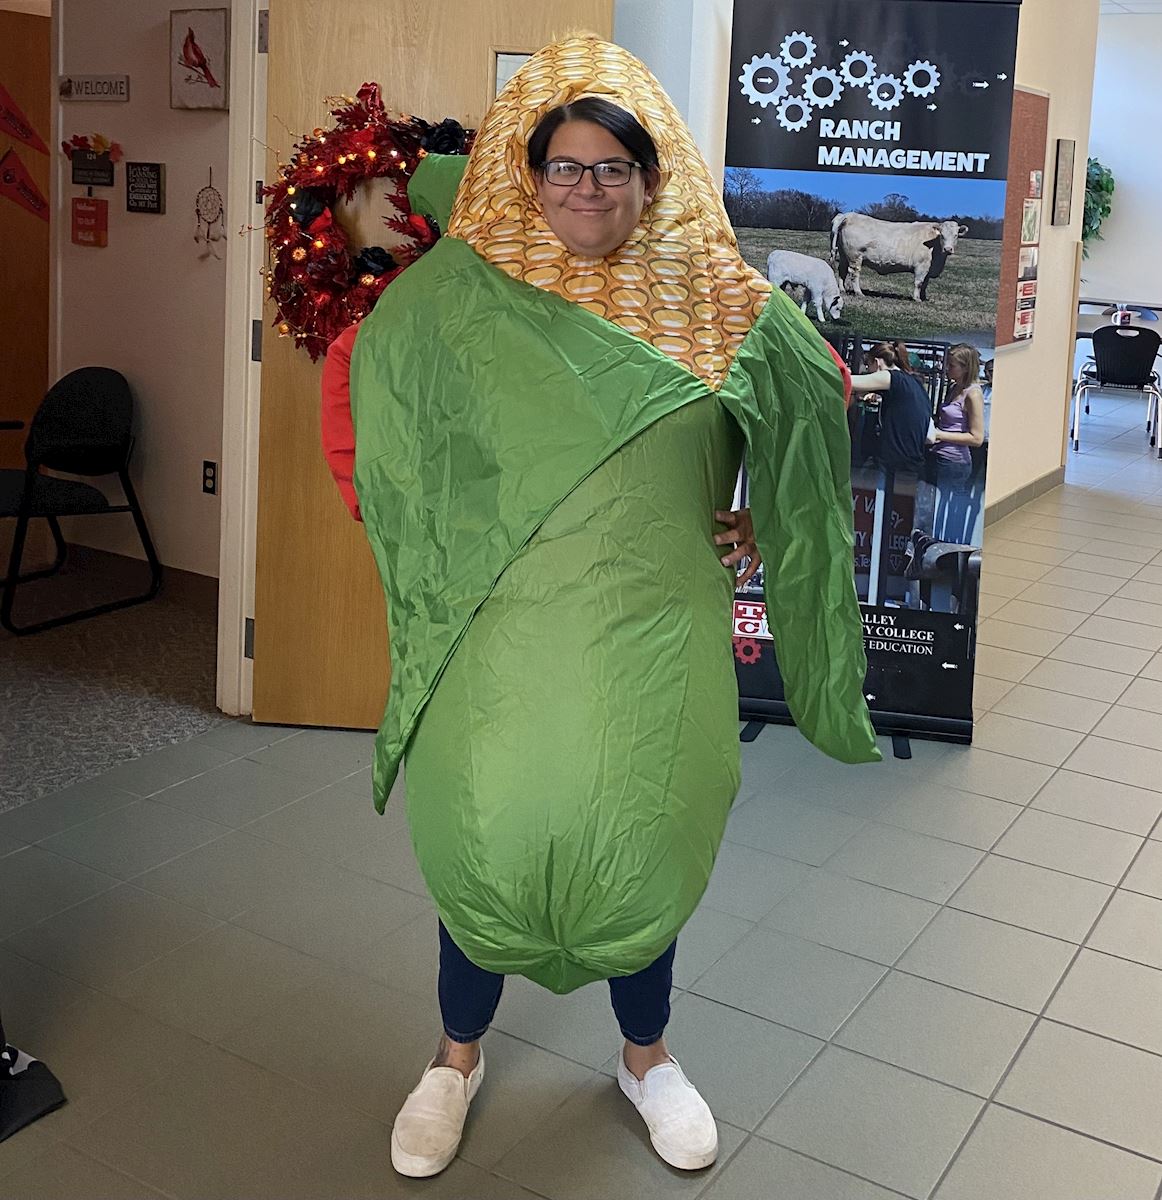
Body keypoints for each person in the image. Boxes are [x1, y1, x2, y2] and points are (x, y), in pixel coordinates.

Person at [329, 37, 877, 1180]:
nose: (586, 188)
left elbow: (812, 406)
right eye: (564, 167)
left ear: (651, 176)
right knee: (488, 826)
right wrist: (430, 557)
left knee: (642, 829)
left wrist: (765, 519)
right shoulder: (458, 304)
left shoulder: (724, 310)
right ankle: (453, 1059)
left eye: (610, 168)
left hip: (652, 629)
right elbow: (376, 419)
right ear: (529, 178)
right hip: (502, 631)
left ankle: (646, 1059)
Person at [929, 343, 986, 544]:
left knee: (949, 511)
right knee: (936, 508)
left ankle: (950, 548)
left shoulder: (973, 394)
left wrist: (940, 434)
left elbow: (976, 438)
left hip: (955, 461)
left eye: (952, 366)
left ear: (965, 368)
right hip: (939, 455)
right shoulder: (955, 388)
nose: (947, 369)